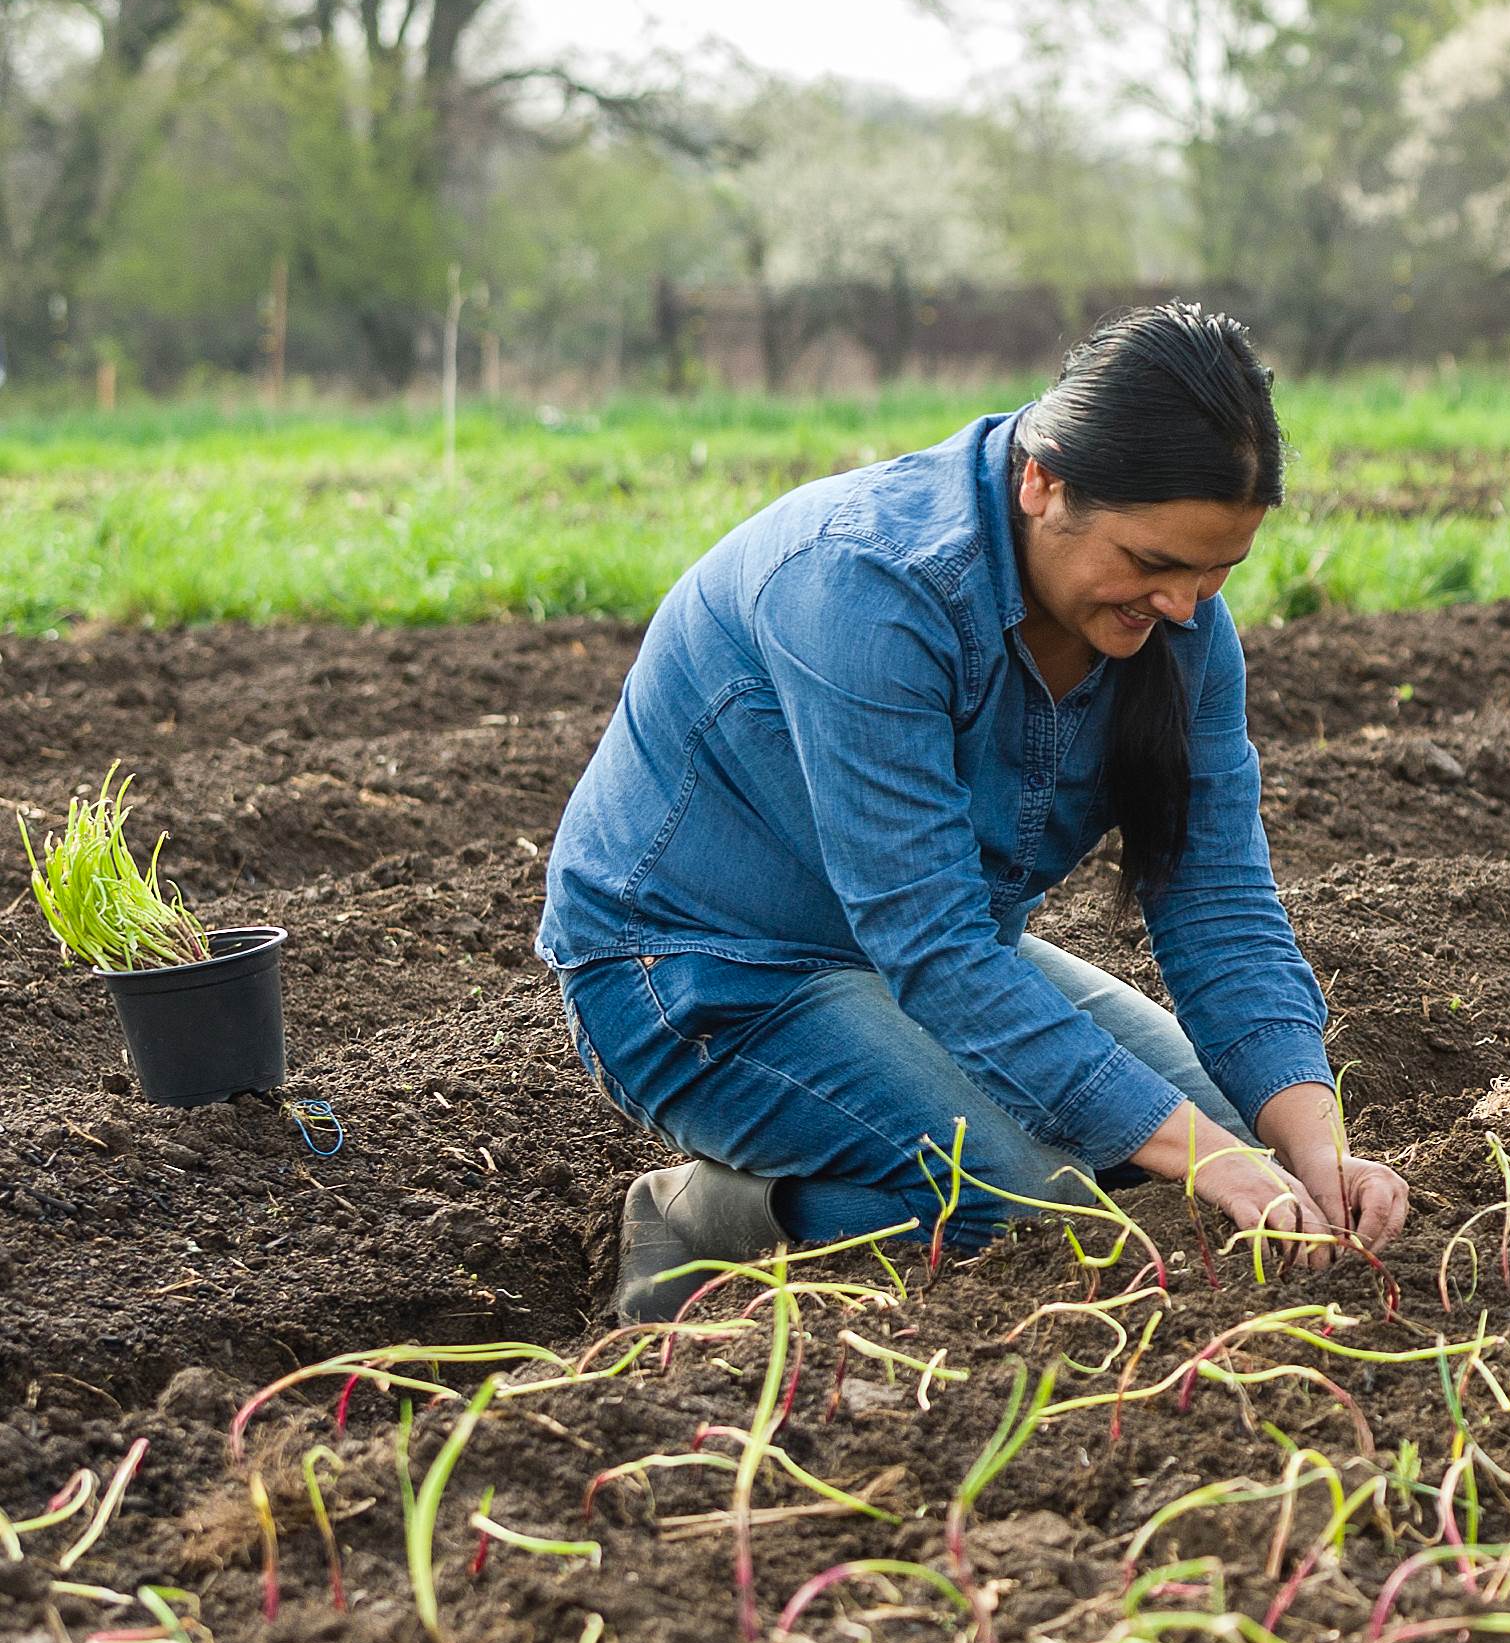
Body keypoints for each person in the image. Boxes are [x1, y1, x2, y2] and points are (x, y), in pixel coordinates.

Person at [539, 303, 1409, 1319]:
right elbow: (930, 940)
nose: (1184, 605)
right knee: (1030, 1210)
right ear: (1044, 482)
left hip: (923, 958)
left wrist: (1316, 1149)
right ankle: (707, 1221)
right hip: (701, 969)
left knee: (1240, 1172)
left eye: (1216, 571)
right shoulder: (862, 584)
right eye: (1154, 563)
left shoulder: (1179, 629)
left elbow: (1214, 899)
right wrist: (1202, 1154)